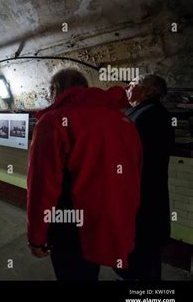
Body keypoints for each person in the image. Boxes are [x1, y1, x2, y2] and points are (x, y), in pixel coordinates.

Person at [27, 68, 142, 281]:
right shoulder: (123, 120)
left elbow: (42, 185)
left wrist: (36, 236)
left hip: (69, 224)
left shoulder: (54, 120)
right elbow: (135, 173)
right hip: (111, 219)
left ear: (56, 89)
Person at [115, 75, 175, 280]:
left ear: (148, 91)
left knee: (142, 252)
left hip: (142, 198)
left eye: (132, 84)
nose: (127, 87)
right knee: (143, 252)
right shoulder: (144, 112)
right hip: (142, 196)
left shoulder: (149, 116)